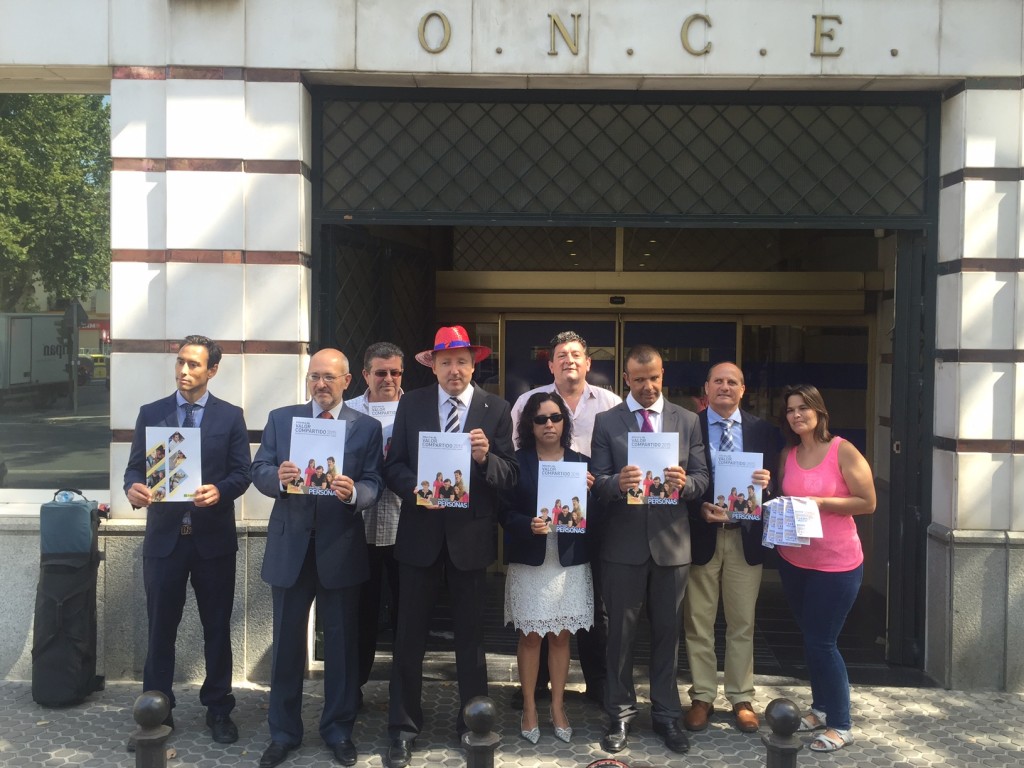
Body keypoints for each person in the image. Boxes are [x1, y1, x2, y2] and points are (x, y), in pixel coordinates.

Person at [383, 325, 518, 768]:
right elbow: (393, 466)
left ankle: (473, 724)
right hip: (419, 535)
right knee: (409, 637)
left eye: (462, 361)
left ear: (473, 364)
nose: (454, 369)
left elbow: (510, 477)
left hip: (470, 540)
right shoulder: (412, 403)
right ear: (434, 366)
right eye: (446, 362)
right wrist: (416, 489)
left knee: (470, 640)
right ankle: (402, 727)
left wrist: (485, 458)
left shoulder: (495, 409)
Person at [251, 348, 383, 768]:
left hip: (339, 547)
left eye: (329, 377)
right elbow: (260, 469)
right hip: (291, 547)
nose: (320, 384)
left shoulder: (367, 427)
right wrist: (278, 479)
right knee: (287, 646)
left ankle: (338, 730)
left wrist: (354, 494)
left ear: (348, 381)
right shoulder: (281, 418)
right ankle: (284, 733)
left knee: (342, 647)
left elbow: (374, 481)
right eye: (314, 377)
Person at [122, 335, 251, 751]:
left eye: (194, 365)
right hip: (165, 542)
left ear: (212, 370)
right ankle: (156, 710)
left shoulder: (230, 417)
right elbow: (132, 471)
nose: (184, 371)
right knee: (161, 630)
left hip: (212, 542)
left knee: (217, 630)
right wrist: (133, 490)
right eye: (180, 362)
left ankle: (218, 709)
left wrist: (222, 491)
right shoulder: (151, 413)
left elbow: (242, 473)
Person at [590, 344, 709, 755]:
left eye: (653, 378)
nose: (647, 386)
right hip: (622, 545)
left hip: (672, 546)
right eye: (638, 379)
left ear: (663, 375)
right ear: (626, 379)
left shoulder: (688, 420)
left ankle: (666, 715)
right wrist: (615, 483)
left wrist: (685, 484)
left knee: (667, 635)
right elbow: (598, 483)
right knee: (619, 636)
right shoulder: (607, 422)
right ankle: (619, 714)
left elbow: (701, 479)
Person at [509, 330, 621, 705]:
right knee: (539, 610)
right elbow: (516, 461)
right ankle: (536, 687)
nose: (569, 360)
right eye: (562, 355)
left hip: (592, 514)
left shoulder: (610, 403)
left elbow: (620, 463)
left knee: (593, 606)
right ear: (551, 363)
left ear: (588, 362)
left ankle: (598, 683)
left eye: (576, 354)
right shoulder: (529, 401)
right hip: (539, 522)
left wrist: (598, 482)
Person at [776, 384, 876, 753]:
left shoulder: (842, 450)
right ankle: (819, 709)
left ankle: (841, 723)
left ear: (819, 411)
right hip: (794, 561)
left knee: (823, 642)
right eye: (790, 410)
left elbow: (868, 502)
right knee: (811, 639)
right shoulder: (789, 453)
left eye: (803, 408)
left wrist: (821, 502)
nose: (797, 415)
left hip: (836, 565)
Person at [682, 362, 780, 734]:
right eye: (718, 381)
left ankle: (741, 697)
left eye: (733, 382)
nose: (725, 387)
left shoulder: (762, 431)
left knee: (742, 623)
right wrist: (696, 508)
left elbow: (779, 485)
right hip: (701, 535)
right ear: (706, 387)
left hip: (745, 537)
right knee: (698, 623)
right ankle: (703, 696)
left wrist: (767, 485)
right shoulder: (689, 425)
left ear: (743, 390)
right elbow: (676, 480)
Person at [500, 392, 593, 744]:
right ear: (529, 425)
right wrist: (527, 523)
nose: (549, 424)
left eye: (556, 418)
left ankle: (557, 706)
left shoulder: (581, 462)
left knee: (561, 636)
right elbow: (503, 512)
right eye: (541, 419)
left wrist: (592, 493)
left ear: (565, 423)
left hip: (568, 561)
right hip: (531, 561)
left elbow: (592, 520)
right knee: (531, 636)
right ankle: (528, 707)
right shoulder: (516, 461)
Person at [346, 342, 406, 701]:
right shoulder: (347, 412)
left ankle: (403, 692)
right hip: (357, 529)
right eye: (380, 372)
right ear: (365, 374)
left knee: (406, 616)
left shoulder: (419, 410)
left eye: (395, 372)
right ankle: (353, 690)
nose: (388, 379)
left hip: (406, 527)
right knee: (359, 615)